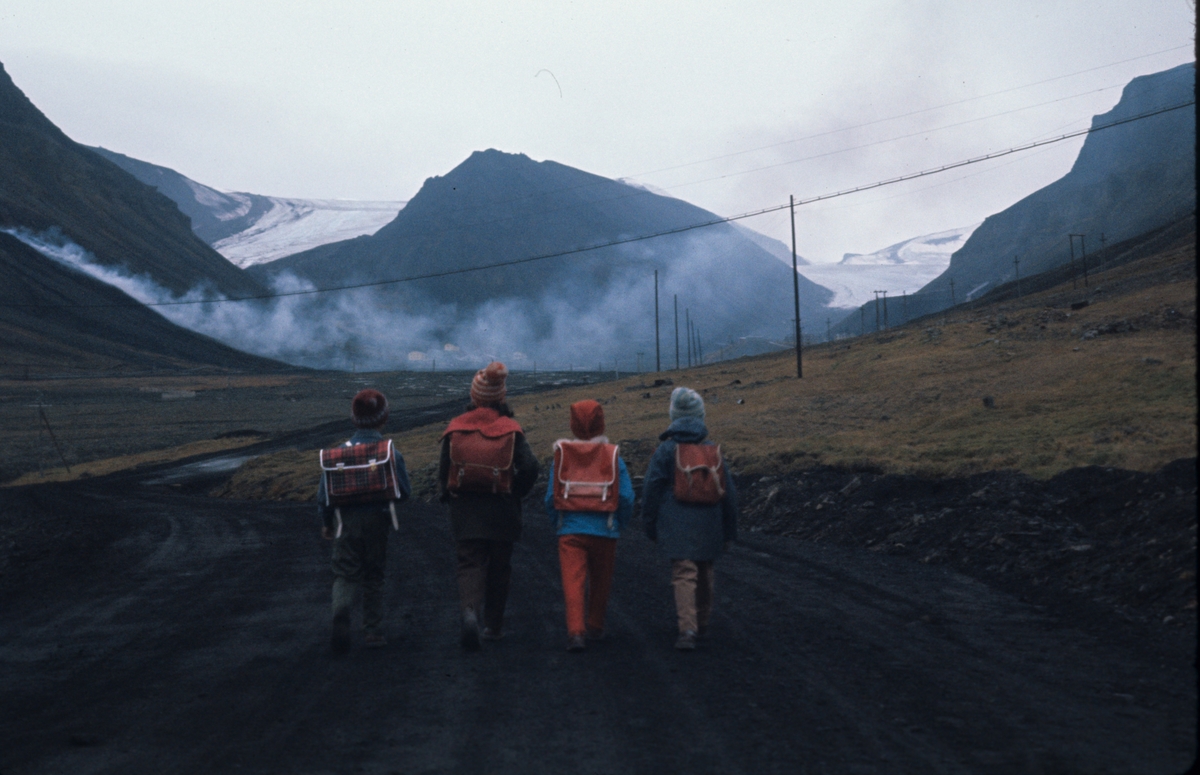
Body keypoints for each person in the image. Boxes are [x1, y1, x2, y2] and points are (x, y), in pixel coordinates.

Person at [439, 362, 539, 650]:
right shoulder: (511, 429)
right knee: (499, 567)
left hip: (465, 511)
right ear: (501, 397)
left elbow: (445, 468)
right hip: (502, 510)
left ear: (474, 397)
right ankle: (493, 627)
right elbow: (530, 466)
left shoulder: (456, 427)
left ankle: (470, 610)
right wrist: (516, 492)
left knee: (470, 563)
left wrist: (446, 494)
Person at [642, 387, 738, 651]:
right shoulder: (713, 451)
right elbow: (729, 494)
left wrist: (649, 524)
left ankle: (687, 629)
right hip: (710, 522)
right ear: (701, 416)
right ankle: (703, 622)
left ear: (673, 415)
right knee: (706, 570)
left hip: (676, 524)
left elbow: (651, 489)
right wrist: (730, 531)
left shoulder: (665, 451)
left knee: (684, 572)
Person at [318, 389, 411, 654]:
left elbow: (323, 496)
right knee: (374, 574)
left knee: (345, 573)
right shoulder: (390, 452)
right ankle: (373, 632)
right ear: (384, 418)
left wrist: (326, 522)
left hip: (345, 521)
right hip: (378, 520)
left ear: (354, 419)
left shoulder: (336, 454)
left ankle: (341, 611)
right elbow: (404, 491)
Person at [543, 400, 635, 652]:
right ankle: (595, 625)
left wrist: (558, 523)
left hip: (570, 530)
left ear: (573, 425)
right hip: (605, 529)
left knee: (572, 581)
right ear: (601, 423)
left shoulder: (562, 456)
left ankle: (575, 632)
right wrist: (619, 524)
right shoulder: (613, 455)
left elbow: (551, 497)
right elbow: (626, 496)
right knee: (601, 579)